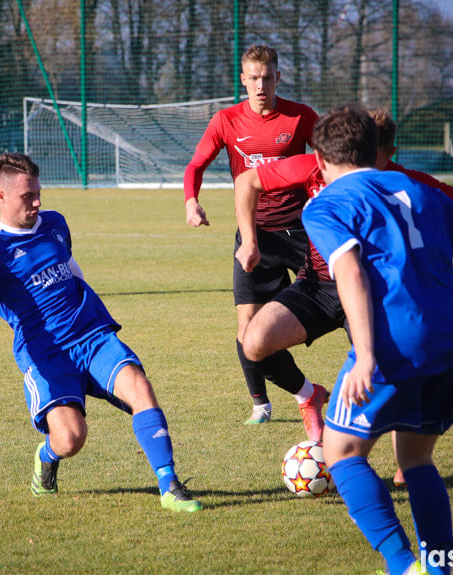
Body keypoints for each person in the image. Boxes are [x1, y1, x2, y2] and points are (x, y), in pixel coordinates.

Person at [234, 106, 453, 447]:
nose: (359, 168)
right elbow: (248, 179)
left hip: (379, 291)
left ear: (386, 153)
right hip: (319, 284)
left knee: (392, 377)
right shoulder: (317, 169)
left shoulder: (403, 181)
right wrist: (249, 239)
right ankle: (309, 395)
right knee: (253, 341)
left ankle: (408, 459)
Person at [303, 105, 453, 575]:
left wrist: (366, 357)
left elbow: (351, 272)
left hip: (397, 344)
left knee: (341, 453)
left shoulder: (326, 204)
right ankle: (438, 567)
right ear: (375, 150)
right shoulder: (421, 191)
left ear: (320, 159)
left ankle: (403, 565)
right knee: (416, 456)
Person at [0, 152, 202, 513]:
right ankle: (46, 457)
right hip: (46, 354)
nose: (37, 202)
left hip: (91, 335)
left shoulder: (54, 223)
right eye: (28, 196)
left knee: (139, 386)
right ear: (2, 196)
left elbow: (70, 267)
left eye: (38, 192)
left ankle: (170, 487)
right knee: (71, 438)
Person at [183, 43, 327, 432]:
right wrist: (191, 201)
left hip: (302, 232)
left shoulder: (301, 117)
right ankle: (265, 403)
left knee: (342, 303)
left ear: (278, 77)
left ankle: (373, 386)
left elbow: (332, 158)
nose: (261, 85)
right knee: (247, 328)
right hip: (254, 236)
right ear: (243, 80)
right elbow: (196, 164)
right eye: (254, 78)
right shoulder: (226, 121)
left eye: (268, 77)